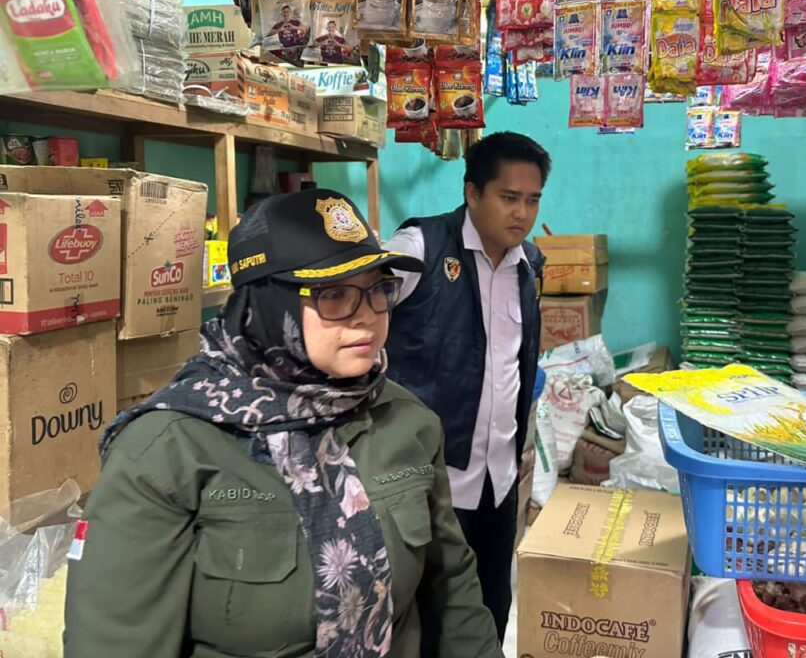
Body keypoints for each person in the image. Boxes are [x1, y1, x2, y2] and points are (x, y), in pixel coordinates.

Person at [64, 189, 504, 658]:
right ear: (269, 305)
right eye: (335, 295)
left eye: (378, 290)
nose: (367, 318)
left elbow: (452, 591)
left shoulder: (406, 422)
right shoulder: (168, 450)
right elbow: (116, 643)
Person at [384, 131, 551, 641]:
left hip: (498, 480)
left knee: (489, 611)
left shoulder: (528, 266)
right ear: (472, 192)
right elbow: (356, 312)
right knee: (425, 621)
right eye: (509, 197)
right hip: (430, 483)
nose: (521, 213)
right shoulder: (420, 248)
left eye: (532, 200)